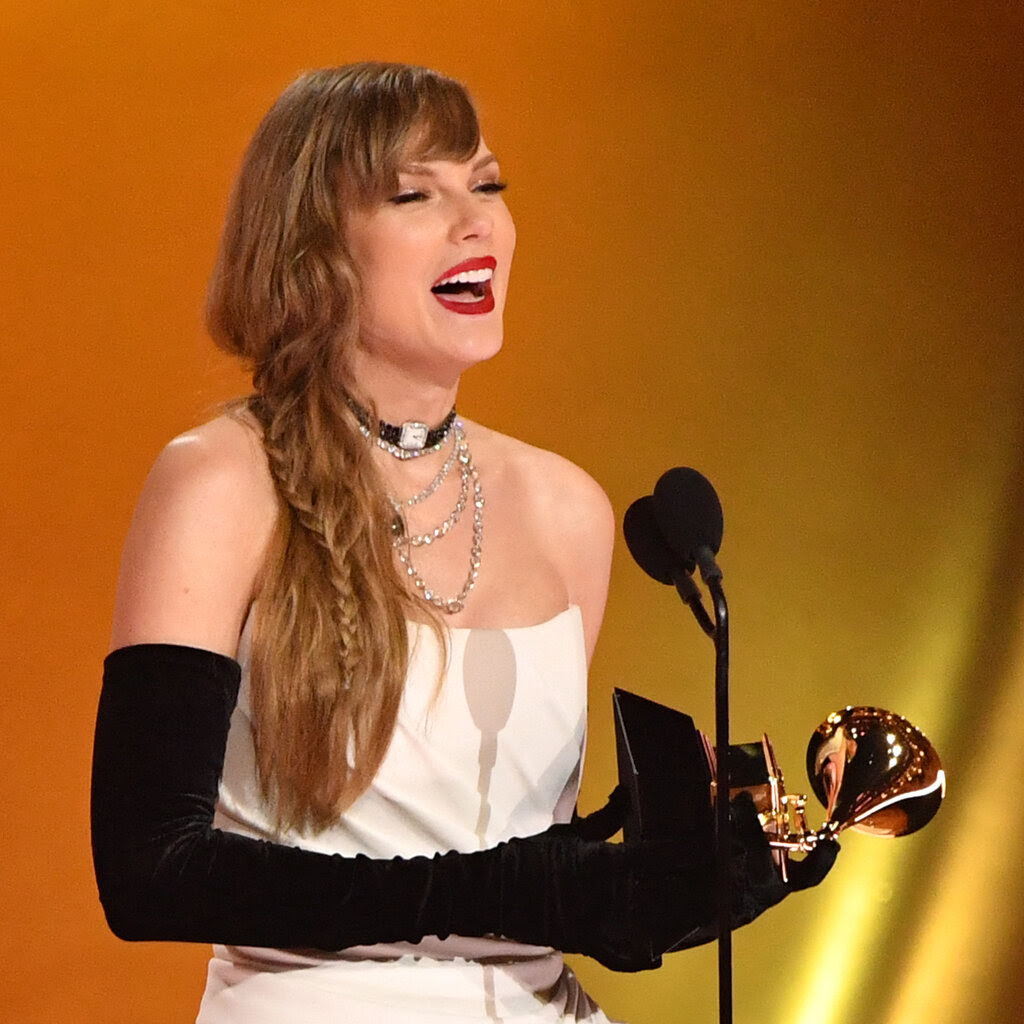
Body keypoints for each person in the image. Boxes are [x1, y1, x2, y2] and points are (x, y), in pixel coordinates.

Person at [91, 62, 835, 1024]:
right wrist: (503, 893)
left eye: (486, 185)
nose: (476, 222)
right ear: (312, 251)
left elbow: (529, 866)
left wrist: (661, 886)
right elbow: (150, 870)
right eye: (415, 194)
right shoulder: (220, 483)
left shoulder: (566, 507)